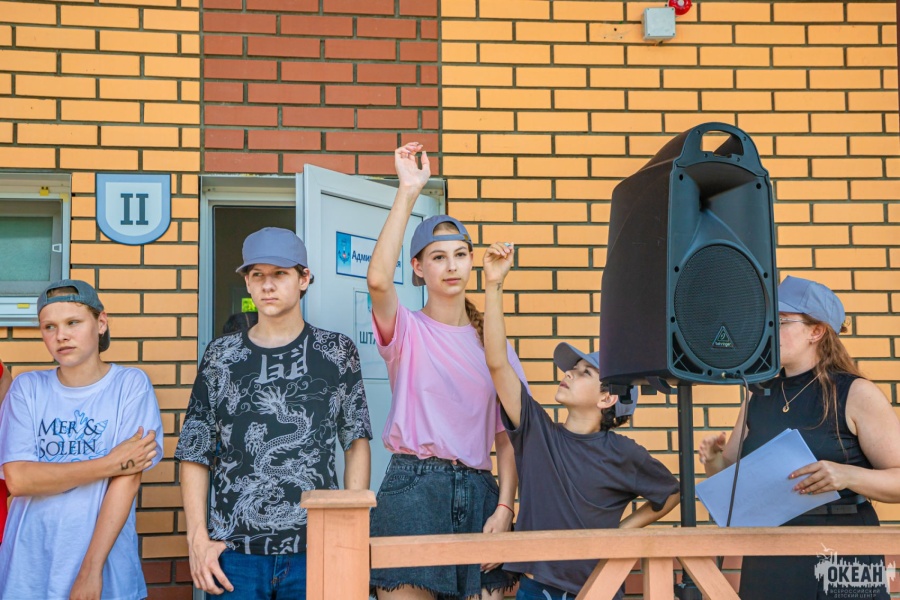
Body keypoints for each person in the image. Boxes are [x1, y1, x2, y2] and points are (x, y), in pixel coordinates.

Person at [367, 143, 528, 600]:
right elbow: (378, 280)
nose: (452, 265)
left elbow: (508, 439)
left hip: (480, 492)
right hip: (413, 490)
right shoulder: (407, 330)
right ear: (418, 268)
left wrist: (505, 507)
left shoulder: (496, 348)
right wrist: (408, 190)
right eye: (438, 257)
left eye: (460, 254)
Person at [176, 227, 373, 599]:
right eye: (257, 275)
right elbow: (195, 450)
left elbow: (356, 440)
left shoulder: (335, 351)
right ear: (248, 284)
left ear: (304, 279)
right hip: (234, 552)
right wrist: (197, 538)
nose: (267, 285)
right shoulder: (221, 356)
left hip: (317, 547)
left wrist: (351, 531)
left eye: (280, 274)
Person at [482, 241, 680, 600]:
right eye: (572, 368)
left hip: (599, 590)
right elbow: (497, 363)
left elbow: (671, 493)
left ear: (607, 398)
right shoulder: (537, 432)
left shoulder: (623, 452)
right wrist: (494, 285)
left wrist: (622, 532)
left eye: (585, 372)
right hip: (537, 589)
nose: (570, 373)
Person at [698, 275, 900, 600]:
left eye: (780, 322)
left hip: (843, 550)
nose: (768, 331)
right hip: (770, 552)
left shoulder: (855, 392)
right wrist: (714, 460)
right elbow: (732, 482)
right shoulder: (758, 394)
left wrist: (848, 475)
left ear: (815, 331)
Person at [0, 280, 163, 599]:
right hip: (30, 565)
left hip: (106, 566)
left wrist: (91, 570)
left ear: (101, 323)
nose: (61, 335)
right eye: (49, 326)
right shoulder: (27, 388)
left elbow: (128, 478)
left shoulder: (130, 385)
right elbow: (19, 479)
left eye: (73, 322)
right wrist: (109, 463)